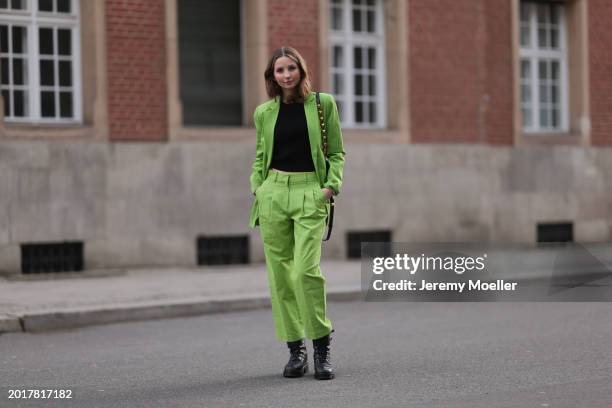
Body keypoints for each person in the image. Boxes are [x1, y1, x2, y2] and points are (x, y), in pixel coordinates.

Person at [248, 46, 345, 380]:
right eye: (279, 70)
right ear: (272, 76)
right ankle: (295, 350)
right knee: (280, 276)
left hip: (309, 193)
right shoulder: (264, 112)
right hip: (273, 192)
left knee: (305, 271)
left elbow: (337, 150)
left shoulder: (323, 104)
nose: (286, 75)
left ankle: (321, 345)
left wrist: (330, 187)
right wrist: (257, 187)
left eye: (291, 68)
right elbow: (261, 154)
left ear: (301, 71)